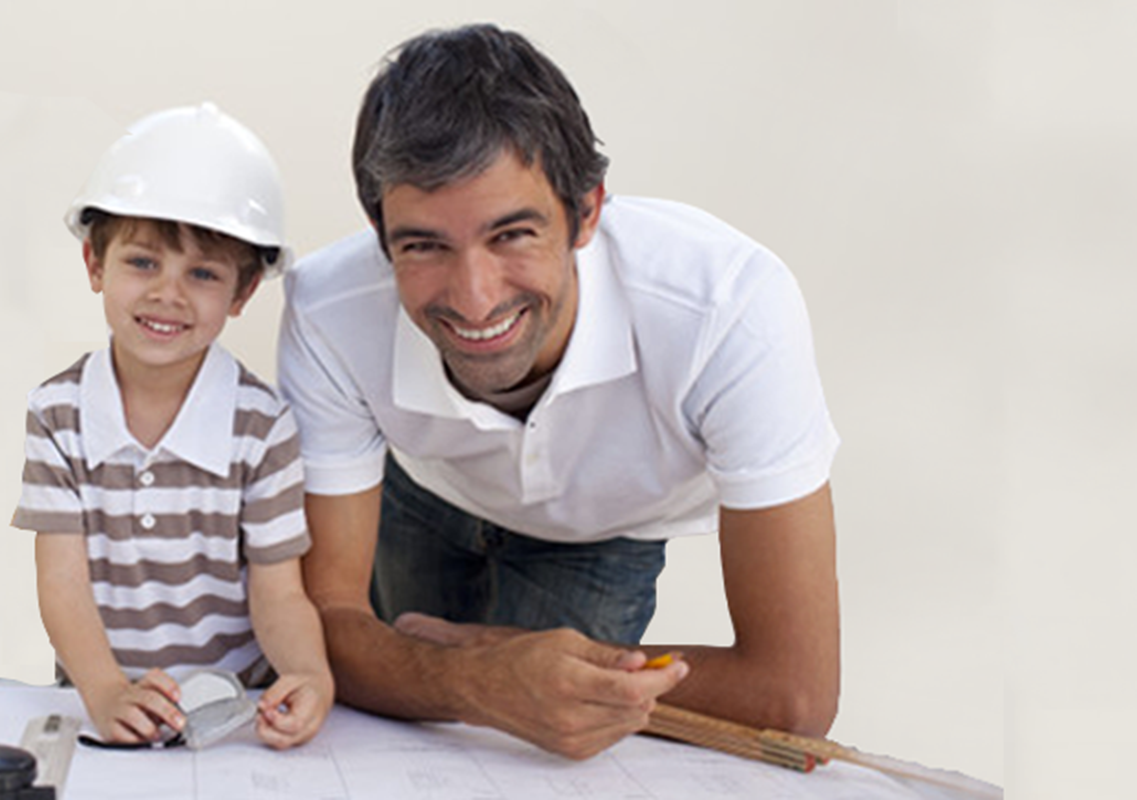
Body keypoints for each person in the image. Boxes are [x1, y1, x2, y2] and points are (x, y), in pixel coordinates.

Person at [278, 24, 840, 759]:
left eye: (512, 235)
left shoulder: (728, 309)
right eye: (423, 245)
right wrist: (472, 680)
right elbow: (324, 630)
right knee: (414, 743)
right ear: (379, 232)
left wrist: (486, 663)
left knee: (534, 758)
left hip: (605, 530)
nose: (475, 298)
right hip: (424, 491)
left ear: (588, 211)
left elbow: (794, 695)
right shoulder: (327, 308)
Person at [12, 102, 332, 749]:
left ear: (242, 294)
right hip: (104, 701)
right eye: (142, 263)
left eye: (203, 274)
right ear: (94, 264)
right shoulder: (57, 414)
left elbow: (279, 593)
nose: (168, 294)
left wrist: (310, 674)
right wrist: (105, 692)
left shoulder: (262, 426)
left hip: (234, 713)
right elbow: (63, 585)